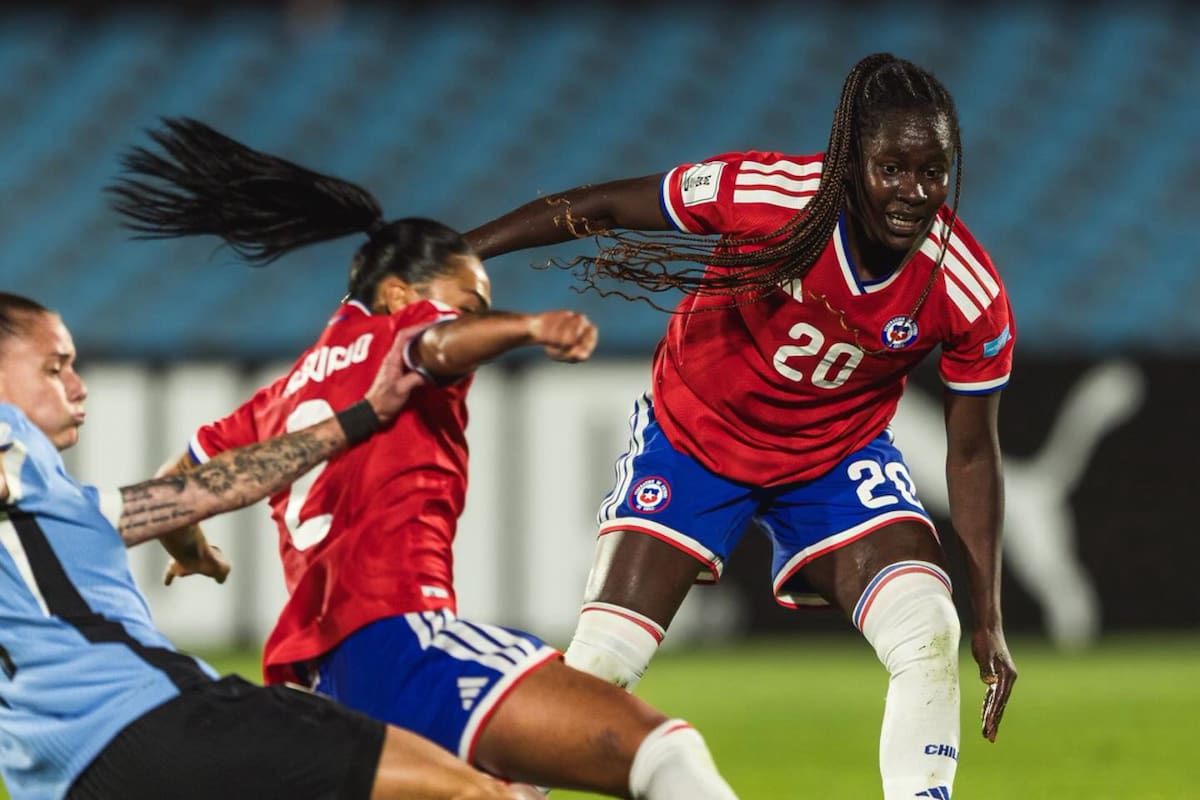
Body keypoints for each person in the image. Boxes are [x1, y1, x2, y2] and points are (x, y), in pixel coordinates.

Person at [109, 118, 739, 800]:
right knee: (661, 753)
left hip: (319, 684)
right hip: (400, 640)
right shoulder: (404, 331)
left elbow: (175, 484)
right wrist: (525, 326)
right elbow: (433, 349)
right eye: (467, 304)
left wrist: (194, 548)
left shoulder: (279, 394)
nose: (468, 318)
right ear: (402, 296)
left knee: (514, 791)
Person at [462, 52, 1018, 799]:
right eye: (893, 168)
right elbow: (607, 205)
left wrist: (988, 617)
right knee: (599, 666)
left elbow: (973, 455)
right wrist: (464, 252)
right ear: (851, 159)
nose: (913, 194)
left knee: (929, 629)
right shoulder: (768, 195)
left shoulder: (965, 288)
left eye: (934, 172)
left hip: (831, 463)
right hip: (695, 441)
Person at [0, 291, 526, 799]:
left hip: (63, 777)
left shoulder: (46, 511)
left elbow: (206, 489)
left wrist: (367, 412)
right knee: (467, 788)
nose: (77, 384)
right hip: (157, 720)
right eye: (54, 367)